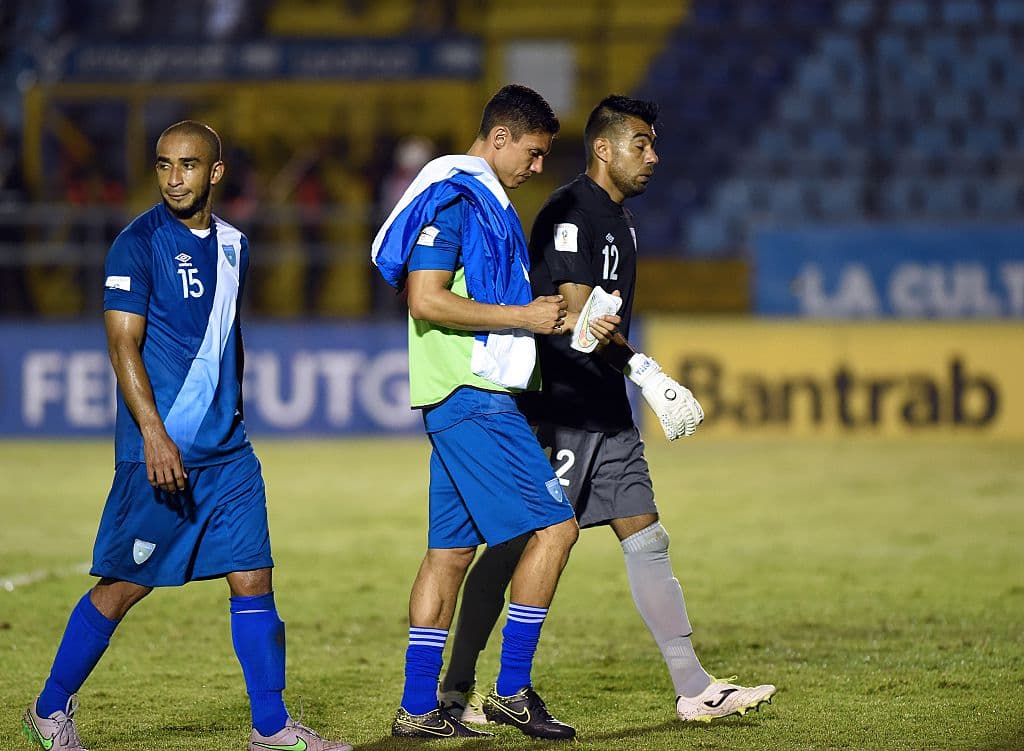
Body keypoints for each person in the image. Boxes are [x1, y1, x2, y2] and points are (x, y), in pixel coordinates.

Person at [437, 95, 777, 724]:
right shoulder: (571, 212)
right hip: (561, 407)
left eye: (654, 145)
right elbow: (576, 313)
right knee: (519, 545)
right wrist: (646, 372)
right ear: (604, 147)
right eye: (641, 144)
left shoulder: (617, 219)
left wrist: (631, 382)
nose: (654, 157)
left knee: (647, 538)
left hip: (606, 410)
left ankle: (693, 686)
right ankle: (456, 691)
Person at [20, 121, 352, 751]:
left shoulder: (235, 246)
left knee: (254, 575)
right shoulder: (135, 244)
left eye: (188, 165)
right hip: (162, 453)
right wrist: (152, 433)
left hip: (229, 455)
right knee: (124, 586)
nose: (174, 178)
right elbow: (123, 344)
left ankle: (271, 727)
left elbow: (229, 338)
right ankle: (49, 707)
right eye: (164, 165)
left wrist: (235, 412)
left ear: (215, 172)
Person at [371, 84, 580, 741]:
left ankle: (415, 709)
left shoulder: (481, 203)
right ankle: (513, 691)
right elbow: (425, 299)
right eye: (534, 153)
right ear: (498, 139)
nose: (538, 167)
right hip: (470, 397)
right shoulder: (456, 200)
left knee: (450, 555)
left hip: (464, 396)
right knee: (556, 529)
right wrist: (523, 316)